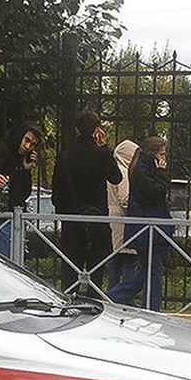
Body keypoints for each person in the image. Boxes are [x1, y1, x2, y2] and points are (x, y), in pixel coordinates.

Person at [52, 111, 123, 293]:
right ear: (96, 130)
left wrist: (65, 211)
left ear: (76, 130)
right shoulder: (102, 155)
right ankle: (92, 309)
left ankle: (68, 309)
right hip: (97, 220)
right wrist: (105, 147)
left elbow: (56, 192)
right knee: (95, 276)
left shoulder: (65, 156)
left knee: (70, 276)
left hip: (72, 221)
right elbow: (116, 178)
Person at [108, 137, 171, 310]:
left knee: (146, 273)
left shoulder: (142, 168)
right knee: (152, 274)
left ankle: (115, 299)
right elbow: (153, 194)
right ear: (152, 154)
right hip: (147, 229)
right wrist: (162, 174)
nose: (163, 159)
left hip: (148, 229)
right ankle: (116, 299)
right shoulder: (142, 171)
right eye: (161, 154)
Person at [0, 124, 42, 258]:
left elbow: (25, 192)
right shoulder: (2, 149)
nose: (27, 146)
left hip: (17, 215)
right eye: (27, 140)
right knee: (8, 259)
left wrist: (26, 170)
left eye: (32, 144)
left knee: (16, 258)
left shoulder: (22, 159)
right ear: (20, 136)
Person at [107, 139, 140, 288]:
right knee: (128, 260)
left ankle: (112, 292)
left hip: (113, 217)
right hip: (122, 220)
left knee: (116, 260)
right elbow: (124, 199)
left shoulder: (113, 168)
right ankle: (121, 295)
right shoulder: (123, 172)